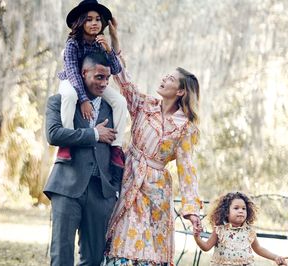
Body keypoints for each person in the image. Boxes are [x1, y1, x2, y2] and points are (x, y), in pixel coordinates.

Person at [104, 18, 203, 265]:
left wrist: (191, 210)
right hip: (129, 177)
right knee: (123, 237)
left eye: (170, 79)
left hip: (157, 190)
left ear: (180, 91)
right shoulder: (144, 105)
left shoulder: (186, 128)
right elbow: (123, 81)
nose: (164, 79)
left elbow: (187, 168)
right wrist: (115, 40)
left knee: (149, 245)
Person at [44, 51, 122, 266]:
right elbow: (54, 134)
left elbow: (119, 146)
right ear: (83, 73)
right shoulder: (59, 101)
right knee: (62, 255)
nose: (104, 83)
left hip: (101, 192)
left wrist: (113, 188)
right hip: (67, 187)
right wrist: (94, 134)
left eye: (107, 78)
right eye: (99, 77)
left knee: (94, 259)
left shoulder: (114, 109)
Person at [57, 0, 127, 176]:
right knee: (69, 97)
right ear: (81, 22)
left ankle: (116, 148)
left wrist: (108, 48)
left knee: (120, 101)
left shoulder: (99, 43)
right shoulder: (72, 44)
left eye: (97, 19)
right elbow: (73, 72)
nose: (94, 23)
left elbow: (117, 69)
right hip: (72, 82)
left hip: (93, 84)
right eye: (88, 19)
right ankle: (66, 144)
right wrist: (84, 99)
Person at [194, 192, 288, 266]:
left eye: (244, 209)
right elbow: (206, 247)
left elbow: (258, 249)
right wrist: (197, 237)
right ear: (226, 212)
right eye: (236, 208)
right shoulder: (220, 230)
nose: (241, 211)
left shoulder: (249, 231)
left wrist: (276, 257)